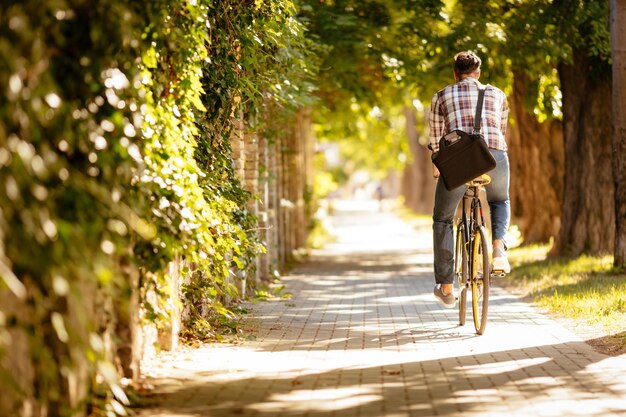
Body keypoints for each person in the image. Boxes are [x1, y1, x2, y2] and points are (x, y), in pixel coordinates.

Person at [428, 51, 511, 309]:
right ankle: (498, 249)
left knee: (442, 219)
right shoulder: (498, 94)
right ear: (478, 72)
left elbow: (435, 140)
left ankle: (447, 288)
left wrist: (437, 168)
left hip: (460, 161)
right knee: (500, 200)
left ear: (455, 74)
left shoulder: (441, 95)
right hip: (493, 157)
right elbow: (501, 130)